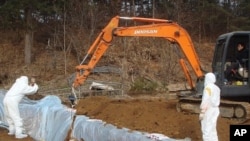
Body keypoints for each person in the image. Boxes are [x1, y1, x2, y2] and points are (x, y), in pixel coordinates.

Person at [199, 72, 220, 141]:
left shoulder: (208, 88)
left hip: (209, 110)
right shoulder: (217, 88)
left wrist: (202, 111)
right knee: (213, 128)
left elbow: (206, 100)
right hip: (216, 109)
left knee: (206, 128)